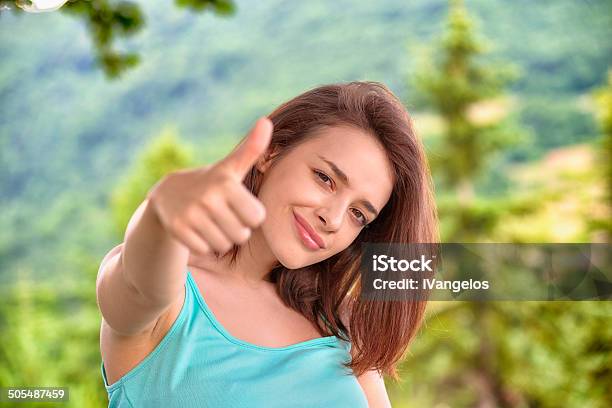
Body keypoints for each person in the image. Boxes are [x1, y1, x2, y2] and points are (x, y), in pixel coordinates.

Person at [96, 81, 439, 407]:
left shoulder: (338, 322)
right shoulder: (171, 297)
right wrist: (158, 212)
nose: (332, 219)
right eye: (325, 179)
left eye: (358, 214)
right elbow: (138, 286)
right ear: (271, 153)